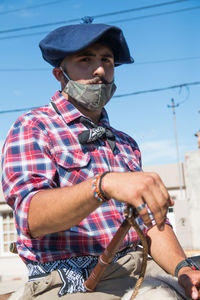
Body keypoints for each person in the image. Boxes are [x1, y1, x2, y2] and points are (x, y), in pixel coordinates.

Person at [1, 17, 200, 300]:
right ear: (60, 75)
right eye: (85, 59)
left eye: (107, 60)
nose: (100, 70)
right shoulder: (34, 127)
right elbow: (31, 217)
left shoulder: (125, 143)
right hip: (70, 284)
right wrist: (102, 185)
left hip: (140, 266)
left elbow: (150, 224)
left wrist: (183, 268)